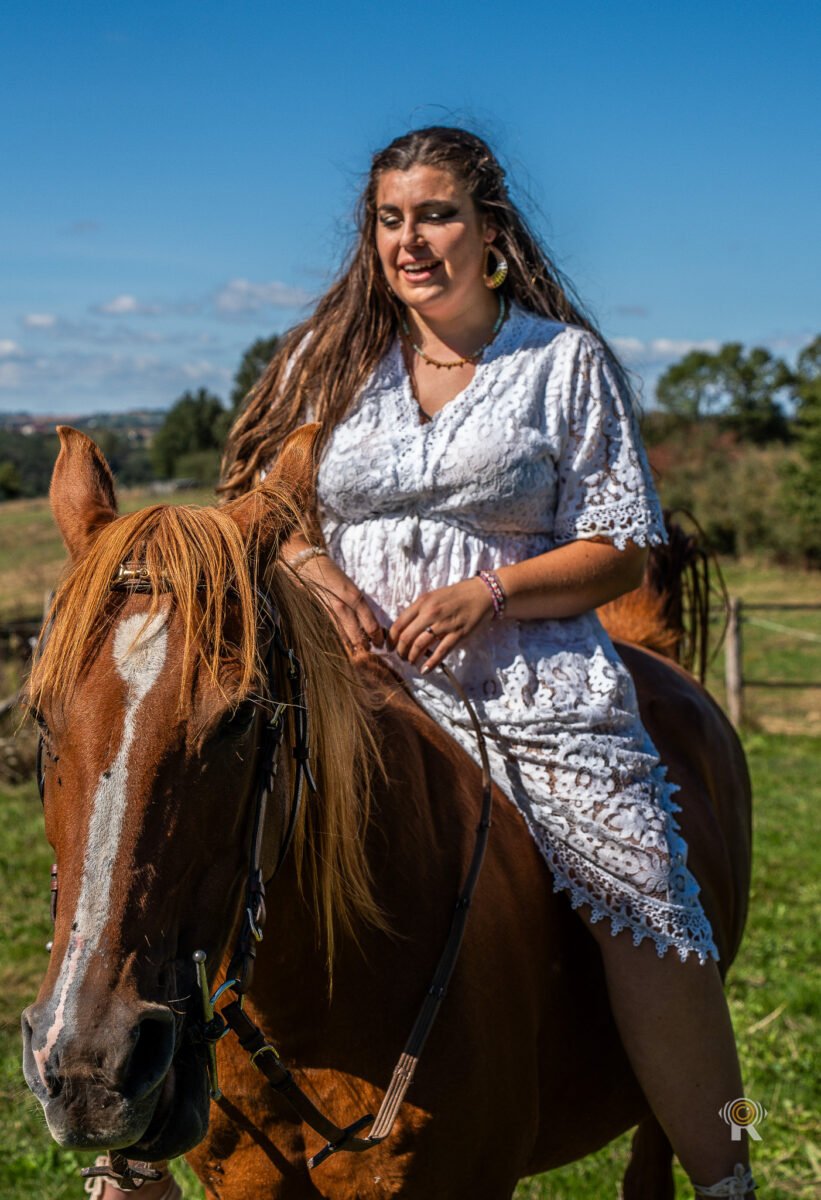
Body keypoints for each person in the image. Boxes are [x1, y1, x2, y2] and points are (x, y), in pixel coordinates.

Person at [220, 126, 757, 1199]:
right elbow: (255, 501)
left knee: (645, 895)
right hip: (348, 685)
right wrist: (316, 570)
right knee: (179, 845)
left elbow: (618, 547)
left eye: (435, 214)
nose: (409, 240)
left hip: (528, 685)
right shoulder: (318, 362)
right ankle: (132, 1147)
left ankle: (723, 1174)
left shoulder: (561, 363)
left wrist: (489, 591)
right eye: (389, 219)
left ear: (488, 230)